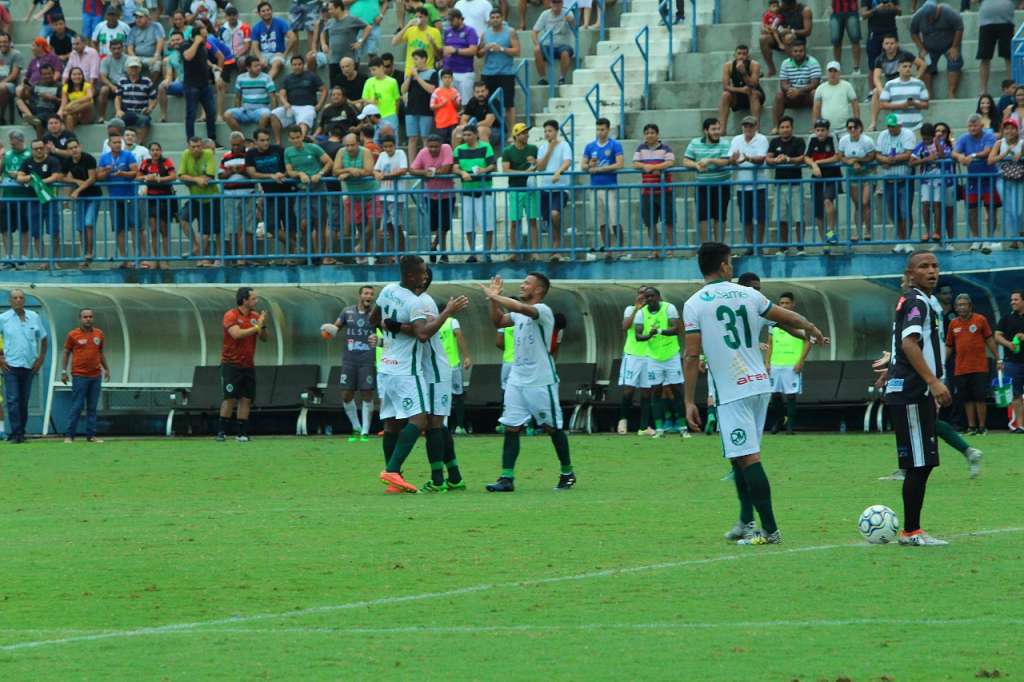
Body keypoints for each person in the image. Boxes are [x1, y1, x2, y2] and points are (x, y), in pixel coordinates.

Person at [683, 242, 825, 545]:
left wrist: (687, 400)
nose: (732, 266)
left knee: (747, 458)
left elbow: (691, 355)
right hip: (760, 385)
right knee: (739, 458)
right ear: (723, 266)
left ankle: (770, 530)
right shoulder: (750, 295)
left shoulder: (695, 303)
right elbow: (788, 319)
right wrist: (811, 328)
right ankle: (746, 522)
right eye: (730, 262)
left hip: (732, 391)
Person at [376, 255, 468, 494]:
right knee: (426, 423)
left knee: (432, 423)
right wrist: (392, 328)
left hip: (430, 369)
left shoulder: (420, 300)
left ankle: (442, 479)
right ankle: (438, 477)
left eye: (427, 275)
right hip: (415, 368)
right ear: (413, 277)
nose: (425, 277)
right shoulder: (416, 300)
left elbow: (416, 331)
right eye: (422, 274)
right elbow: (421, 332)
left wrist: (392, 326)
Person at [481, 273, 576, 492]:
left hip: (541, 381)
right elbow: (498, 321)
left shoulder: (542, 311)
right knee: (511, 426)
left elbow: (522, 309)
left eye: (527, 283)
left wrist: (495, 296)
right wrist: (492, 300)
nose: (522, 285)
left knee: (552, 427)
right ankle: (506, 478)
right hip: (517, 379)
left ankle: (567, 472)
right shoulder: (517, 316)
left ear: (539, 290)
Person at [883, 251, 952, 545]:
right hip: (913, 391)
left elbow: (904, 344)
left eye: (935, 266)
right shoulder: (916, 301)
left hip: (911, 389)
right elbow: (909, 342)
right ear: (910, 273)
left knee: (921, 462)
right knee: (919, 463)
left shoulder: (919, 300)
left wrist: (891, 367)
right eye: (924, 266)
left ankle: (912, 529)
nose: (932, 271)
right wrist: (933, 380)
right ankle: (911, 531)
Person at [633, 287, 687, 438]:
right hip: (653, 358)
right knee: (655, 392)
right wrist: (649, 335)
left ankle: (683, 427)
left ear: (658, 296)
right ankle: (659, 429)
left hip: (671, 356)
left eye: (652, 296)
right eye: (646, 297)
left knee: (677, 391)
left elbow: (676, 329)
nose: (649, 299)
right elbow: (638, 336)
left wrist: (659, 331)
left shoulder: (669, 308)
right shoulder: (641, 313)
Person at [218, 287, 269, 442]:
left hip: (248, 364)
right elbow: (237, 334)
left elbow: (264, 338)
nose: (256, 301)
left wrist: (261, 327)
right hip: (231, 364)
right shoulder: (231, 315)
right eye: (253, 298)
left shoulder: (255, 316)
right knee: (230, 398)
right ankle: (221, 432)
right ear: (244, 300)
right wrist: (257, 327)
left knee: (246, 399)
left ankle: (242, 433)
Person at [946, 294, 1000, 435]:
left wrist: (998, 358)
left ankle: (982, 427)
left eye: (965, 304)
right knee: (967, 399)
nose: (962, 307)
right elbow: (949, 346)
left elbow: (989, 340)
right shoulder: (953, 324)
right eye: (959, 305)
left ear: (970, 306)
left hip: (979, 367)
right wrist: (941, 362)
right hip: (961, 368)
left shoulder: (980, 319)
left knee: (980, 398)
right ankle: (971, 427)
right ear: (956, 308)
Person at [0, 289, 49, 443]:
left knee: (24, 400)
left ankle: (21, 432)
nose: (18, 300)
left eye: (21, 297)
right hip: (11, 366)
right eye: (15, 298)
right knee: (13, 399)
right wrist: (0, 358)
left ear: (24, 300)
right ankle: (16, 434)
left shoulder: (34, 317)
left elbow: (44, 338)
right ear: (10, 301)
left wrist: (40, 359)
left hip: (29, 366)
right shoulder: (3, 318)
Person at [330, 285, 377, 442]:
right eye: (366, 293)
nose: (368, 296)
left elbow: (387, 333)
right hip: (349, 360)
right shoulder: (347, 311)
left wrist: (380, 340)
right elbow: (335, 328)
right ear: (360, 295)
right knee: (346, 395)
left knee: (366, 393)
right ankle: (356, 427)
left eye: (371, 294)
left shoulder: (376, 313)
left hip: (367, 359)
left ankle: (364, 431)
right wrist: (328, 330)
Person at [61, 308, 110, 443]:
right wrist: (63, 371)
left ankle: (91, 435)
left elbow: (100, 352)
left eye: (90, 316)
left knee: (92, 407)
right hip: (79, 375)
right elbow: (66, 352)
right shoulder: (73, 335)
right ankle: (69, 436)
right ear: (80, 319)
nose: (88, 319)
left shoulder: (99, 334)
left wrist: (106, 368)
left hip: (95, 375)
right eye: (85, 317)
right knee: (77, 406)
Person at [766, 292, 811, 435]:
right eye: (781, 303)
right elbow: (770, 343)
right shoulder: (773, 322)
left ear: (793, 304)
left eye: (787, 303)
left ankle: (791, 426)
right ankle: (780, 420)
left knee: (791, 396)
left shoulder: (800, 321)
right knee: (775, 396)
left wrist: (800, 361)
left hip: (791, 364)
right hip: (775, 364)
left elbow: (808, 341)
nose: (784, 305)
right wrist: (767, 362)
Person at [953, 114, 1000, 253]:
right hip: (973, 180)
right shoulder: (964, 138)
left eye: (975, 125)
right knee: (971, 210)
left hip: (989, 179)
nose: (972, 128)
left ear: (981, 126)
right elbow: (953, 153)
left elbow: (987, 151)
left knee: (991, 210)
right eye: (970, 126)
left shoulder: (989, 136)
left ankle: (989, 239)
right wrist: (960, 156)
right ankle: (976, 238)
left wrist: (972, 156)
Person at [683, 117, 731, 245]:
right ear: (705, 131)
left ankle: (719, 246)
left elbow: (725, 161)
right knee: (703, 217)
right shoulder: (694, 143)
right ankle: (705, 246)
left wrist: (709, 160)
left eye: (718, 128)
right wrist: (696, 165)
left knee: (720, 217)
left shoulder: (725, 143)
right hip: (702, 186)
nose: (716, 132)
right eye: (713, 129)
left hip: (722, 185)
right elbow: (685, 161)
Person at [16, 138, 64, 266]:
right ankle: (43, 260)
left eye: (41, 148)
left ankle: (55, 261)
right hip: (33, 202)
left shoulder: (53, 160)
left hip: (49, 200)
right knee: (36, 233)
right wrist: (30, 178)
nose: (38, 150)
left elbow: (56, 176)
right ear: (32, 150)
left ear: (45, 148)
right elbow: (19, 177)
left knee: (54, 232)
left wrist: (41, 182)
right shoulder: (27, 162)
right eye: (35, 149)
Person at [453, 123, 496, 262]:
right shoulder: (459, 149)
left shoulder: (485, 146)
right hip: (467, 191)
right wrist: (462, 172)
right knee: (468, 223)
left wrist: (483, 170)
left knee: (487, 223)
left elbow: (492, 165)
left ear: (476, 135)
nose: (466, 137)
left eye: (469, 135)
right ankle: (472, 252)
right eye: (464, 135)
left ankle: (487, 252)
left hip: (484, 190)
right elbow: (455, 167)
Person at [633, 123, 676, 257]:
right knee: (650, 222)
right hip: (648, 192)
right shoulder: (640, 148)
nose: (650, 135)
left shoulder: (665, 148)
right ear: (644, 135)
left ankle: (670, 249)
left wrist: (654, 167)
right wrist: (649, 167)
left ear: (657, 134)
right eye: (647, 133)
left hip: (665, 191)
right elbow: (635, 163)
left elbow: (671, 162)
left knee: (669, 221)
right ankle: (655, 249)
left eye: (652, 132)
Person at [582, 117, 624, 256]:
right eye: (598, 129)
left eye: (603, 129)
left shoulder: (614, 145)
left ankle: (622, 249)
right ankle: (608, 249)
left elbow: (619, 164)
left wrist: (599, 169)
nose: (600, 132)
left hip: (610, 187)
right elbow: (583, 166)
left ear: (608, 130)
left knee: (614, 219)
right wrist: (590, 166)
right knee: (601, 221)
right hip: (594, 188)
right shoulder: (590, 146)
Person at [875, 112, 917, 251]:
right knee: (894, 212)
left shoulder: (908, 134)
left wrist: (890, 160)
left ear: (900, 125)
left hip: (904, 178)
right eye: (889, 126)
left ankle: (907, 240)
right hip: (888, 180)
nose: (891, 129)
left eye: (893, 126)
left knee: (905, 210)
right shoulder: (883, 135)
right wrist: (885, 160)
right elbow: (877, 154)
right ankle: (900, 239)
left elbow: (908, 154)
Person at [409, 134, 455, 259]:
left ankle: (443, 252)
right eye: (431, 147)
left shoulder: (446, 148)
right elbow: (412, 169)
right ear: (427, 146)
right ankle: (434, 246)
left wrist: (431, 172)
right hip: (430, 195)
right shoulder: (423, 152)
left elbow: (446, 169)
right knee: (434, 226)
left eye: (436, 147)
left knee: (444, 226)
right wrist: (425, 172)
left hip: (447, 194)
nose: (433, 149)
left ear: (440, 145)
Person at [334, 132, 378, 263]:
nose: (349, 148)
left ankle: (360, 248)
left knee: (374, 222)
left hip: (370, 193)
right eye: (347, 145)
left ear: (358, 144)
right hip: (353, 196)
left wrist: (348, 172)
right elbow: (335, 170)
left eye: (352, 145)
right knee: (360, 226)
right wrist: (350, 171)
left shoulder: (365, 152)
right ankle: (362, 254)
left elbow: (368, 170)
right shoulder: (341, 152)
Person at [867, 35, 926, 132]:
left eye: (892, 43)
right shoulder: (880, 59)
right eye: (887, 43)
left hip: (905, 85)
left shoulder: (904, 55)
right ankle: (873, 123)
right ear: (883, 45)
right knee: (876, 91)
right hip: (891, 87)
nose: (889, 46)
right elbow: (876, 78)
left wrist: (916, 80)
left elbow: (922, 65)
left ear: (896, 44)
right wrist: (882, 91)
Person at [729, 115, 770, 253]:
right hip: (742, 184)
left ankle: (759, 244)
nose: (748, 128)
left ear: (756, 126)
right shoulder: (736, 139)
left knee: (760, 216)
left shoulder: (762, 139)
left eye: (751, 126)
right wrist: (734, 160)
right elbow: (732, 158)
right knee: (745, 217)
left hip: (759, 184)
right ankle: (750, 245)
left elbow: (761, 158)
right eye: (745, 126)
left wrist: (747, 158)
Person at [766, 115, 806, 254]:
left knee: (799, 217)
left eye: (787, 127)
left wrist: (788, 159)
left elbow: (802, 158)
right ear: (778, 129)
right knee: (780, 217)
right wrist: (777, 160)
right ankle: (783, 247)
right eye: (782, 127)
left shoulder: (799, 141)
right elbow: (768, 158)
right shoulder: (774, 141)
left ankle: (801, 247)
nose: (785, 130)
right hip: (779, 185)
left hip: (795, 184)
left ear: (792, 128)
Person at [179, 135, 221, 266]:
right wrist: (196, 179)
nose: (196, 149)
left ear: (202, 146)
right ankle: (197, 247)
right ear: (188, 147)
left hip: (211, 197)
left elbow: (208, 176)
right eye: (193, 147)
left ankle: (215, 257)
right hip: (195, 198)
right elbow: (181, 176)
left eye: (198, 147)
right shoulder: (185, 154)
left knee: (211, 230)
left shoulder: (208, 154)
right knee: (182, 218)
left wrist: (190, 179)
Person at [912, 121, 956, 246]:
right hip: (926, 179)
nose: (926, 141)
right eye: (924, 139)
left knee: (937, 204)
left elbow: (942, 156)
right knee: (925, 204)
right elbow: (911, 162)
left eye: (928, 138)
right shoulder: (920, 146)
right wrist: (926, 159)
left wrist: (936, 142)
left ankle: (937, 232)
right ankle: (928, 231)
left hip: (940, 179)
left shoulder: (942, 144)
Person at [535, 118, 572, 261]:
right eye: (545, 131)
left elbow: (567, 162)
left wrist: (558, 172)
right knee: (546, 220)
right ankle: (554, 248)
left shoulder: (564, 145)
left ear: (556, 132)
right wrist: (549, 150)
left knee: (555, 214)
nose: (547, 134)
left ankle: (557, 246)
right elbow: (540, 167)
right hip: (545, 188)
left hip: (560, 188)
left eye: (550, 131)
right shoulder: (543, 148)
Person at [909, 0, 963, 99]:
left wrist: (955, 47)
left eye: (932, 17)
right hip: (929, 48)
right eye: (928, 18)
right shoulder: (918, 15)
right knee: (924, 64)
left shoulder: (948, 12)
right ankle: (929, 94)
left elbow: (959, 28)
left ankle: (951, 92)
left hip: (949, 45)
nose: (930, 20)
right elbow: (913, 32)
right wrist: (921, 49)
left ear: (937, 11)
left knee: (954, 60)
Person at [616, 287, 651, 435]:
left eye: (646, 294)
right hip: (632, 354)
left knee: (646, 390)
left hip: (649, 355)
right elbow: (625, 327)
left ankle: (644, 426)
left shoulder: (653, 312)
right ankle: (623, 421)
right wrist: (637, 309)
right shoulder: (630, 309)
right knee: (629, 388)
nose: (643, 296)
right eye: (640, 293)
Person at [804, 118, 842, 250]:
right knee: (818, 213)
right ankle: (824, 242)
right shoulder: (811, 139)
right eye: (818, 130)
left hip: (832, 176)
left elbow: (837, 156)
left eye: (823, 130)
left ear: (828, 130)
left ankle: (831, 233)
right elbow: (806, 157)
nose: (820, 133)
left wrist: (818, 163)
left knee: (828, 202)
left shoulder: (833, 138)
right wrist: (813, 165)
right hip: (817, 178)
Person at [479, 8, 518, 137]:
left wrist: (501, 48)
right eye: (493, 17)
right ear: (489, 20)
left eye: (497, 17)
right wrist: (486, 48)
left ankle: (512, 134)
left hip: (506, 73)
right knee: (486, 103)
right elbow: (478, 54)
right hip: (488, 73)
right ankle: (489, 131)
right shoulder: (485, 34)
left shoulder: (510, 32)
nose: (495, 19)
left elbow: (517, 51)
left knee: (508, 104)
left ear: (502, 18)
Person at [62, 138, 101, 264]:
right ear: (68, 151)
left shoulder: (89, 158)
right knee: (80, 227)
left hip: (93, 195)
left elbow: (92, 179)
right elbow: (61, 177)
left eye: (75, 147)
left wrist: (77, 190)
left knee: (88, 223)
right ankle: (85, 255)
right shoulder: (67, 161)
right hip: (80, 198)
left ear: (80, 147)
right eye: (71, 148)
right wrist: (75, 181)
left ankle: (90, 253)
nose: (74, 150)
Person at [271, 55, 326, 144]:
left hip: (307, 107)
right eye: (294, 64)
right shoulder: (287, 78)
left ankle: (301, 142)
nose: (297, 67)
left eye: (299, 64)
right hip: (291, 107)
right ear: (291, 66)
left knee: (303, 122)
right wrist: (285, 103)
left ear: (303, 65)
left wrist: (320, 105)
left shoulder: (311, 76)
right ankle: (278, 142)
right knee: (274, 115)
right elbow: (282, 94)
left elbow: (324, 90)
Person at [138, 140, 176, 267]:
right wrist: (146, 178)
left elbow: (173, 176)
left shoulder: (166, 162)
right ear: (149, 152)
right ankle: (155, 259)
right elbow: (137, 176)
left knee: (164, 230)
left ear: (161, 151)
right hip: (151, 200)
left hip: (165, 199)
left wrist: (159, 179)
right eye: (153, 150)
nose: (155, 152)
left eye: (157, 150)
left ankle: (166, 260)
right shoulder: (145, 163)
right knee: (153, 229)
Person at [837, 116, 875, 244]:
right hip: (852, 175)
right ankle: (857, 231)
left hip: (867, 175)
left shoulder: (867, 141)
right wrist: (849, 162)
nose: (852, 130)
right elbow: (840, 156)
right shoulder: (843, 140)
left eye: (855, 127)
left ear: (860, 128)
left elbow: (871, 156)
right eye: (850, 128)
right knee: (857, 205)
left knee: (865, 203)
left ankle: (868, 231)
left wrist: (858, 160)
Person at [772, 40, 821, 134]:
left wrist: (798, 91)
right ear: (791, 51)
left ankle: (816, 126)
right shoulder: (785, 63)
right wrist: (791, 90)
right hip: (791, 95)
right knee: (779, 95)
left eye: (801, 51)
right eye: (795, 51)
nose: (798, 53)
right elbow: (783, 84)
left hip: (807, 95)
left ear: (805, 51)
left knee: (815, 93)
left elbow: (815, 83)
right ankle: (776, 126)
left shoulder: (813, 62)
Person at [183, 20, 218, 145]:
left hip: (204, 85)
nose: (205, 39)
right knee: (191, 115)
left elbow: (203, 59)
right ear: (196, 36)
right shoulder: (186, 45)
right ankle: (190, 141)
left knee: (211, 112)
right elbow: (188, 56)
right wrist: (196, 42)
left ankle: (212, 140)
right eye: (203, 37)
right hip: (191, 85)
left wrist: (212, 65)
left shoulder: (203, 46)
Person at [373, 135, 408, 258]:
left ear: (395, 145)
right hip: (384, 195)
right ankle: (395, 252)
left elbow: (404, 169)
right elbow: (375, 170)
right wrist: (377, 174)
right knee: (388, 225)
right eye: (385, 147)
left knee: (397, 225)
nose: (388, 149)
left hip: (396, 196)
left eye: (390, 146)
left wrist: (388, 175)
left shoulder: (401, 153)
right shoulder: (382, 155)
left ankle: (402, 253)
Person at [0, 131, 33, 263]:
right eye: (11, 144)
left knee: (24, 228)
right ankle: (8, 256)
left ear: (21, 141)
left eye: (14, 144)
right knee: (5, 228)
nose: (12, 146)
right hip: (7, 197)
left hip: (24, 197)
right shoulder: (7, 155)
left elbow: (34, 175)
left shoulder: (29, 155)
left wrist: (19, 176)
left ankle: (23, 257)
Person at [995, 290, 1024, 432]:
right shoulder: (1006, 318)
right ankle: (1020, 426)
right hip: (1012, 362)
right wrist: (1008, 344)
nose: (1012, 302)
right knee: (1016, 395)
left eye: (1016, 299)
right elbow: (997, 335)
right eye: (1011, 300)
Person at [719, 44, 765, 133]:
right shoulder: (728, 66)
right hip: (738, 96)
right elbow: (725, 86)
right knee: (725, 95)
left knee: (754, 93)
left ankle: (756, 129)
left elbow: (754, 85)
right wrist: (741, 90)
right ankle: (722, 129)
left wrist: (744, 73)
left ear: (748, 56)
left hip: (754, 94)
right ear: (735, 55)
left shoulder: (754, 65)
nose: (741, 56)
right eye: (739, 53)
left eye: (744, 54)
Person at [760, 0, 813, 76]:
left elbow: (808, 31)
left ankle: (796, 68)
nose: (783, 3)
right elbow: (765, 22)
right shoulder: (778, 9)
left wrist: (791, 31)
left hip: (797, 39)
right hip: (779, 37)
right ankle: (771, 69)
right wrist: (765, 28)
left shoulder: (804, 10)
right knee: (763, 39)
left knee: (788, 37)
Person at [225, 55, 276, 133]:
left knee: (266, 115)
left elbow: (273, 97)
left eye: (259, 65)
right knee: (227, 114)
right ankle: (242, 138)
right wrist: (238, 109)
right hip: (245, 110)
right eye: (256, 66)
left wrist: (273, 113)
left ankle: (258, 137)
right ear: (248, 68)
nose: (259, 67)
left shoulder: (266, 78)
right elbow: (238, 97)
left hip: (261, 110)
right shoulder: (240, 78)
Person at [402, 49, 437, 160]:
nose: (415, 62)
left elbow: (431, 89)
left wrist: (417, 77)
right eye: (413, 59)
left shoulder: (432, 73)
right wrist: (410, 77)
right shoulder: (411, 74)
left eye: (416, 59)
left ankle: (426, 162)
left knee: (425, 138)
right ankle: (412, 165)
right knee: (412, 138)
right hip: (411, 110)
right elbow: (403, 90)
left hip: (425, 110)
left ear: (424, 59)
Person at [879, 54, 929, 130]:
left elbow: (926, 105)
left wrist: (914, 103)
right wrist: (901, 106)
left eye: (909, 66)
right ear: (898, 68)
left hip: (917, 126)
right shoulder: (890, 84)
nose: (908, 69)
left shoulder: (919, 84)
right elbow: (882, 105)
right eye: (905, 66)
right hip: (897, 127)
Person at [531, 0, 574, 87]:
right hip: (548, 45)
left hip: (563, 45)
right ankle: (543, 78)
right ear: (550, 3)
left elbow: (575, 27)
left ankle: (562, 78)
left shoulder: (568, 12)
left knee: (565, 52)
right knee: (537, 50)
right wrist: (537, 43)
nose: (556, 4)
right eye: (554, 2)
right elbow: (534, 32)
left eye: (558, 2)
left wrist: (571, 21)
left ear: (562, 3)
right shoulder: (545, 14)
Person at [250, 1, 295, 80]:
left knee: (277, 63)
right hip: (263, 54)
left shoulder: (280, 22)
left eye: (268, 10)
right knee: (253, 63)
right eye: (263, 11)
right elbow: (254, 45)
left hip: (278, 53)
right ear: (259, 14)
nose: (266, 12)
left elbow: (293, 38)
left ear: (271, 11)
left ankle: (265, 83)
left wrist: (285, 54)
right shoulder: (256, 27)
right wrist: (260, 58)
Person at [114, 56, 156, 142]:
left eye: (136, 67)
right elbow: (118, 98)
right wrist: (118, 110)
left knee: (145, 120)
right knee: (115, 123)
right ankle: (120, 144)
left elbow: (154, 98)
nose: (134, 69)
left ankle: (139, 144)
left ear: (140, 68)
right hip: (126, 112)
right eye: (132, 67)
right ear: (127, 69)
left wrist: (150, 108)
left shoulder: (147, 81)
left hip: (140, 112)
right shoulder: (122, 81)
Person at [442, 8, 478, 102]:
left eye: (452, 20)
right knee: (448, 102)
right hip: (448, 72)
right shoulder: (447, 31)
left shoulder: (470, 31)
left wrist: (455, 51)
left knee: (465, 102)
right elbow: (445, 49)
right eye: (448, 20)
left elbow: (473, 50)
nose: (450, 22)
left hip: (465, 72)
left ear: (460, 19)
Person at [812, 61, 859, 134]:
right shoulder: (820, 88)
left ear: (839, 73)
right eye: (830, 71)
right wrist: (815, 126)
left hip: (845, 129)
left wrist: (857, 123)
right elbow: (816, 109)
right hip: (826, 129)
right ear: (826, 73)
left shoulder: (847, 86)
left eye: (835, 71)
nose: (832, 74)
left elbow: (855, 104)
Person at [392, 6, 440, 76]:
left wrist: (432, 43)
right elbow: (394, 42)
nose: (418, 19)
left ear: (426, 18)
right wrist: (408, 25)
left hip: (427, 70)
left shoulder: (434, 32)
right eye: (416, 17)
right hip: (410, 71)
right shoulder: (410, 30)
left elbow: (439, 55)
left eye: (420, 17)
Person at [16, 63, 61, 135]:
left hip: (50, 112)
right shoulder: (36, 85)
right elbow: (24, 97)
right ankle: (32, 118)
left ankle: (33, 120)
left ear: (53, 73)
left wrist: (53, 98)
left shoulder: (59, 86)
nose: (47, 76)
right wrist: (24, 88)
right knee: (19, 101)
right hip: (36, 111)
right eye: (44, 74)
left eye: (49, 73)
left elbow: (64, 102)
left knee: (38, 121)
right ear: (41, 75)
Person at [361, 55, 400, 135]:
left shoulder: (392, 81)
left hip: (390, 115)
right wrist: (371, 101)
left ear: (381, 67)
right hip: (375, 117)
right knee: (376, 140)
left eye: (374, 69)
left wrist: (395, 114)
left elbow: (397, 99)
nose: (372, 72)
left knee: (391, 139)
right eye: (371, 70)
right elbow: (364, 98)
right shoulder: (369, 82)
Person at [861, 1, 902, 76]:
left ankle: (895, 86)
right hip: (875, 32)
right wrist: (876, 9)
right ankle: (873, 88)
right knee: (873, 66)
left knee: (896, 62)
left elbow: (900, 12)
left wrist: (892, 7)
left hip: (891, 31)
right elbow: (863, 15)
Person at [127, 7, 165, 78]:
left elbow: (160, 41)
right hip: (137, 57)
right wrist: (134, 57)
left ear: (148, 18)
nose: (138, 20)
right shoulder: (133, 29)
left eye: (140, 17)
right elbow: (129, 47)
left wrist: (156, 55)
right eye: (136, 17)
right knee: (129, 62)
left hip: (151, 57)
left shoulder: (156, 26)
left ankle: (150, 86)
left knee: (156, 64)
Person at [830, 0, 862, 73]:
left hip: (852, 10)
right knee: (836, 41)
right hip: (836, 11)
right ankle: (837, 67)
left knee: (855, 39)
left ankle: (856, 67)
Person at [58, 65, 94, 130]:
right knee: (69, 117)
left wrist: (73, 102)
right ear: (70, 76)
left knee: (88, 104)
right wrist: (59, 113)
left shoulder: (87, 85)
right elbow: (63, 104)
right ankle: (70, 138)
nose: (77, 76)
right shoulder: (66, 87)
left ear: (82, 76)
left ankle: (68, 112)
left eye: (79, 74)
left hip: (86, 115)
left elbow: (89, 97)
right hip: (75, 115)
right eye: (74, 74)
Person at [429, 68, 460, 144]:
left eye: (449, 77)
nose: (447, 79)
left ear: (452, 79)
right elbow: (431, 107)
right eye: (445, 77)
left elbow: (458, 108)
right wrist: (441, 105)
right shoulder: (436, 92)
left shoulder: (455, 92)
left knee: (452, 143)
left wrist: (453, 101)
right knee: (442, 144)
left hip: (453, 122)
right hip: (441, 123)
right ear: (441, 79)